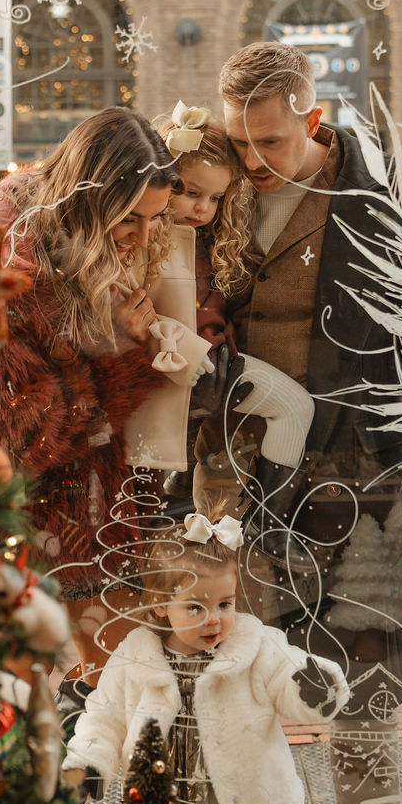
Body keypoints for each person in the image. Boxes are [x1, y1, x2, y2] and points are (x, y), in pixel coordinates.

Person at [215, 40, 402, 804]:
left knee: (364, 684)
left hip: (361, 486)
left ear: (313, 121)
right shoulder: (215, 192)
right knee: (242, 671)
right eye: (238, 142)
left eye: (270, 143)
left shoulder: (387, 203)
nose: (251, 161)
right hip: (245, 484)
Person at [0, 107, 212, 685]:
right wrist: (124, 356)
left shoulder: (70, 240)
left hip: (85, 529)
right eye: (131, 220)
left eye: (155, 219)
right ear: (90, 199)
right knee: (43, 720)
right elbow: (22, 435)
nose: (142, 237)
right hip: (29, 542)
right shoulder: (10, 266)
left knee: (103, 716)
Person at [62, 509, 350, 804]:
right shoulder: (137, 655)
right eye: (195, 607)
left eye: (224, 604)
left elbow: (286, 674)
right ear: (162, 605)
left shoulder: (253, 646)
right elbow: (104, 716)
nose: (214, 618)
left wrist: (314, 687)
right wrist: (87, 764)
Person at [149, 102, 254, 511]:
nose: (202, 208)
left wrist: (220, 344)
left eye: (214, 198)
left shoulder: (216, 245)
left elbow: (218, 307)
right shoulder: (142, 239)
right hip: (161, 372)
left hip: (208, 376)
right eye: (192, 193)